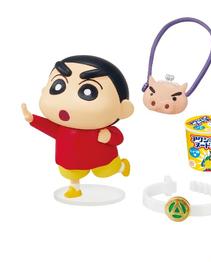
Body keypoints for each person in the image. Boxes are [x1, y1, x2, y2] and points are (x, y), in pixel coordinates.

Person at [22, 55, 134, 198]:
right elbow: (50, 128)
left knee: (105, 172)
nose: (67, 102)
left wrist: (109, 136)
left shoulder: (102, 129)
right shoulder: (62, 128)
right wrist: (33, 119)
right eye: (58, 86)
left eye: (89, 91)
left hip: (102, 158)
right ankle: (74, 188)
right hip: (71, 159)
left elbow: (118, 138)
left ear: (123, 108)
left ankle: (122, 166)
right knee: (71, 172)